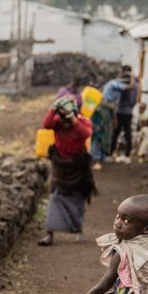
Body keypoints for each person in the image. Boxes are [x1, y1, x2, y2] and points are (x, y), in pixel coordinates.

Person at [38, 97, 96, 246]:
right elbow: (46, 124)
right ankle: (49, 234)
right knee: (54, 195)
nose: (64, 119)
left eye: (66, 114)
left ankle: (78, 231)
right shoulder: (57, 122)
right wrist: (53, 109)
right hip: (60, 163)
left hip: (78, 165)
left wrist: (73, 119)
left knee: (77, 197)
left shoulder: (83, 121)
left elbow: (85, 134)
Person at [110, 67, 139, 163]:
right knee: (128, 134)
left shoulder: (124, 84)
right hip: (129, 112)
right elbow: (134, 100)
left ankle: (110, 153)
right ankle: (127, 153)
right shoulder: (136, 85)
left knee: (115, 133)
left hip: (120, 111)